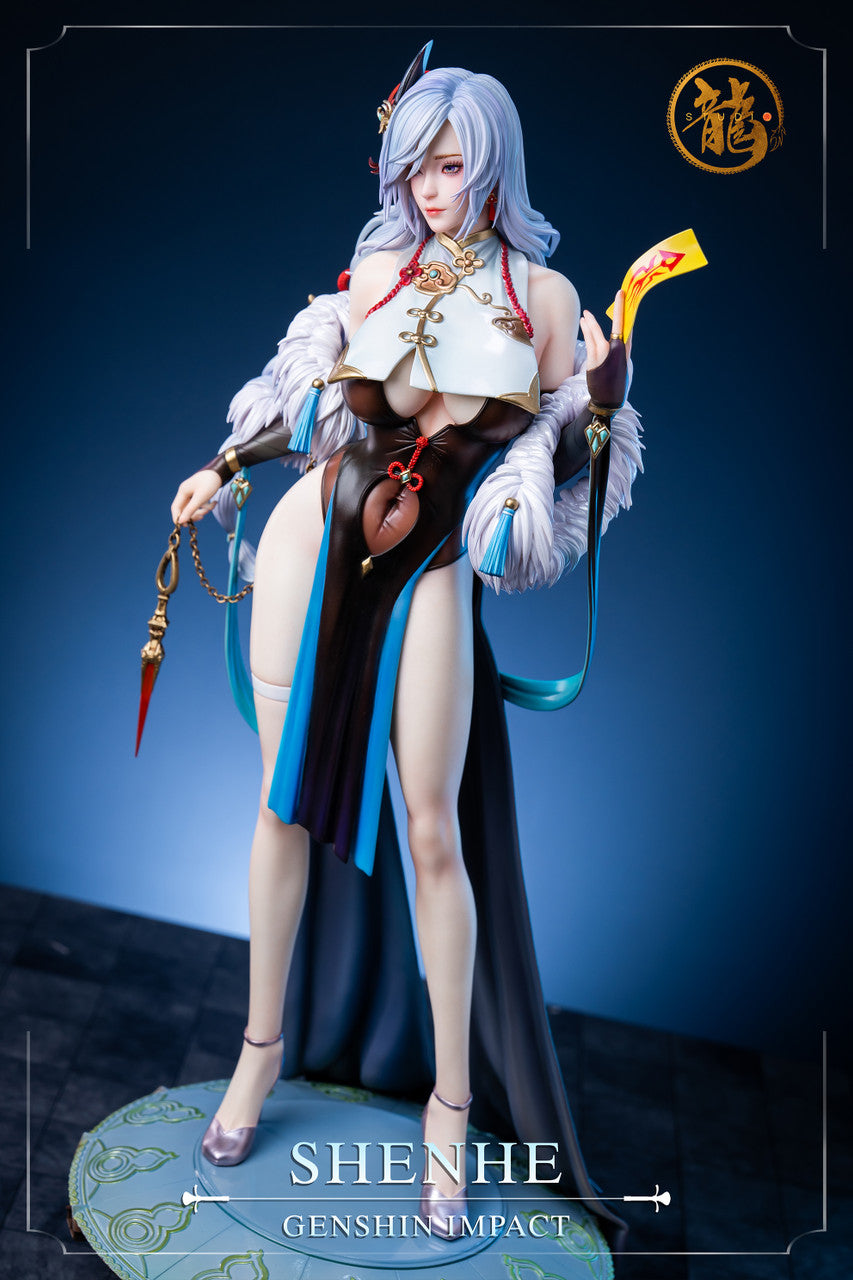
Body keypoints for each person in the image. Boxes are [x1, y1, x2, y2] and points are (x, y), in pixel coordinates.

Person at [170, 52, 639, 1247]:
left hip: (430, 565)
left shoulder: (544, 298)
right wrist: (221, 464)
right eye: (415, 165)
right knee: (276, 803)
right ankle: (257, 1051)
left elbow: (565, 460)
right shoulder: (375, 271)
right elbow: (305, 400)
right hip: (311, 534)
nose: (432, 187)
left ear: (493, 165)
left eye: (452, 164)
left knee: (433, 831)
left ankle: (449, 1107)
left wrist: (606, 387)